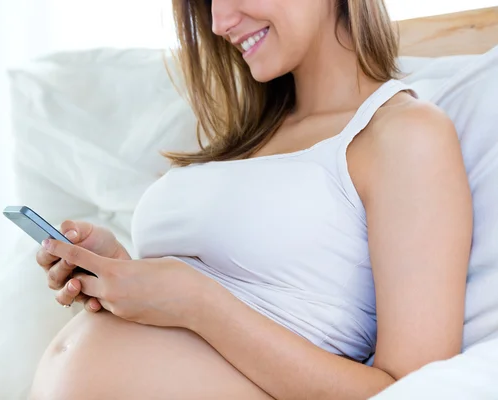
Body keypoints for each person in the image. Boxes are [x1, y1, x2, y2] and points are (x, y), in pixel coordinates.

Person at [31, 0, 473, 399]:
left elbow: (416, 390)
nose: (219, 22)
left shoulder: (405, 135)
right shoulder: (240, 139)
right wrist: (119, 273)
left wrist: (199, 303)